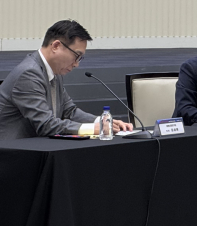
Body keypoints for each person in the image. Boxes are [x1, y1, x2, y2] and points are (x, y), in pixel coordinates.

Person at [0, 20, 133, 139]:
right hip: (12, 152)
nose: (76, 64)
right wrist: (93, 128)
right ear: (56, 46)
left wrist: (102, 122)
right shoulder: (29, 74)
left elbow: (69, 111)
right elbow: (46, 125)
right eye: (76, 56)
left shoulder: (54, 72)